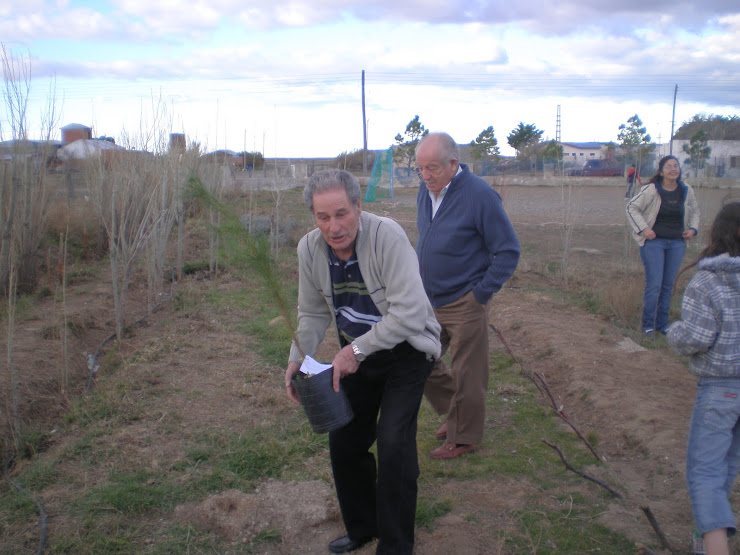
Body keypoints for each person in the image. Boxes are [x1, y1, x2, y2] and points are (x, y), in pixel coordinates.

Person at [284, 169, 441, 554]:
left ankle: (396, 545)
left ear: (358, 206)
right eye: (323, 217)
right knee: (345, 440)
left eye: (341, 214)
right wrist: (296, 359)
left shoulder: (387, 236)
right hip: (357, 354)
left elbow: (408, 314)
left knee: (393, 442)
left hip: (407, 350)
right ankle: (363, 528)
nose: (333, 227)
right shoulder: (309, 249)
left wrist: (353, 351)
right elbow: (311, 314)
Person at [415, 132, 520, 460]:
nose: (425, 175)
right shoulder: (426, 190)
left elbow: (508, 251)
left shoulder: (479, 195)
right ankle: (455, 412)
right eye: (420, 168)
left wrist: (480, 294)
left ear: (453, 164)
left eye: (432, 167)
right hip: (430, 299)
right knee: (417, 359)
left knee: (468, 373)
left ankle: (464, 438)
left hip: (465, 300)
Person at [666, 202, 740, 555]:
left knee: (705, 475)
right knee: (726, 470)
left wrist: (673, 332)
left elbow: (696, 337)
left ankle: (714, 548)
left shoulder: (708, 280)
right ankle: (705, 542)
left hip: (721, 390)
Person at [626, 155, 700, 335]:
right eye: (669, 166)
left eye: (676, 166)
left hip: (677, 243)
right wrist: (644, 229)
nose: (673, 169)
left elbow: (695, 210)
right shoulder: (651, 190)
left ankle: (662, 324)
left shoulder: (686, 190)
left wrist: (693, 229)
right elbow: (631, 208)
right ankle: (648, 325)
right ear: (661, 171)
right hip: (654, 243)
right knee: (655, 285)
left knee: (668, 285)